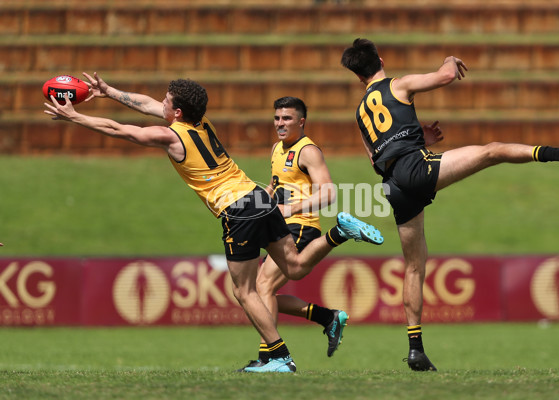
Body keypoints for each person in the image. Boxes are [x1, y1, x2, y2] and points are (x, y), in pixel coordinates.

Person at [44, 73, 384, 373]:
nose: (159, 103)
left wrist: (75, 117)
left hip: (238, 211)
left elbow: (121, 130)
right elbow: (148, 106)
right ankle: (340, 232)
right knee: (294, 267)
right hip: (259, 197)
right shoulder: (202, 125)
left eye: (166, 101)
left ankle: (279, 357)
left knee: (245, 290)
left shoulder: (172, 137)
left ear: (177, 112)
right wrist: (110, 92)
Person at [340, 38, 559, 371]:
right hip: (415, 169)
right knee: (491, 151)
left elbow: (377, 157)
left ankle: (415, 348)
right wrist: (449, 59)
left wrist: (418, 137)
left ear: (358, 76)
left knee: (414, 266)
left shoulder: (360, 112)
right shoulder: (397, 84)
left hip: (392, 186)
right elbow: (444, 77)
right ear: (381, 60)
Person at [239, 96, 346, 371]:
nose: (280, 124)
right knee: (262, 291)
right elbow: (276, 187)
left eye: (286, 119)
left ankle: (271, 358)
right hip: (279, 226)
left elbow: (330, 192)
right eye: (277, 118)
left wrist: (291, 208)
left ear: (301, 121)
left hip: (301, 225)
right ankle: (327, 317)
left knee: (261, 287)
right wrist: (259, 203)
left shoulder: (308, 151)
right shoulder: (276, 149)